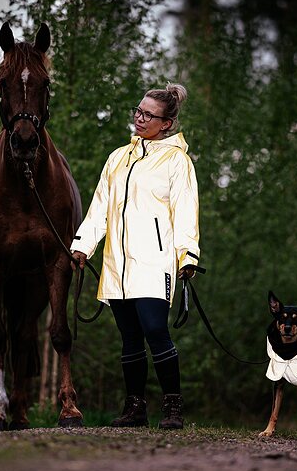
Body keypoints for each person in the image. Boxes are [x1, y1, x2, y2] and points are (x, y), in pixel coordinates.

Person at [70, 83, 200, 429]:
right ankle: (135, 408)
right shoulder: (117, 158)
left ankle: (173, 407)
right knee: (129, 337)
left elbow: (186, 211)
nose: (139, 118)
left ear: (166, 124)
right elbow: (100, 208)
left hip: (155, 262)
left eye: (148, 115)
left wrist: (188, 255)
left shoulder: (177, 161)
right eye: (138, 111)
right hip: (117, 264)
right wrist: (83, 244)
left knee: (155, 329)